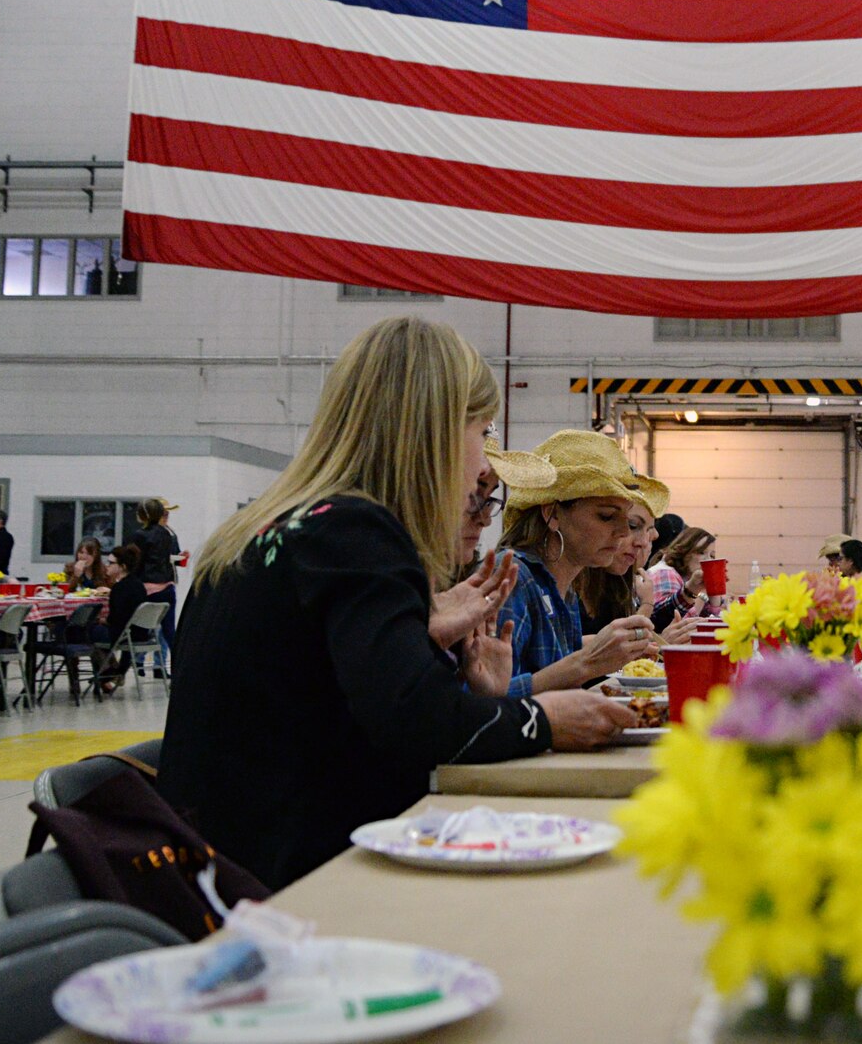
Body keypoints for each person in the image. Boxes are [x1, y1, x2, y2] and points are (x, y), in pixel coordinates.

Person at [157, 318, 633, 889]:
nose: (483, 465)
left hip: (223, 859)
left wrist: (467, 684)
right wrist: (543, 719)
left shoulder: (274, 529)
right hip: (288, 885)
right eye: (481, 432)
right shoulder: (358, 534)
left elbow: (338, 700)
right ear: (434, 433)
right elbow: (417, 723)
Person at [495, 430, 664, 696]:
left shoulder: (565, 590)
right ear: (552, 514)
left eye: (627, 519)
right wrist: (587, 663)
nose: (623, 532)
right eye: (607, 516)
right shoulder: (513, 579)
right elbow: (486, 707)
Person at [128, 499, 181, 676]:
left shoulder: (139, 535)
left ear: (142, 515)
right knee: (169, 631)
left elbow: (136, 562)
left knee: (138, 629)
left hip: (148, 587)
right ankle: (179, 666)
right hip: (167, 586)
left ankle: (133, 663)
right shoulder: (166, 534)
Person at [90, 544, 152, 696]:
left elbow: (115, 619)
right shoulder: (139, 585)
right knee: (99, 632)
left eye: (111, 563)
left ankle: (107, 674)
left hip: (123, 635)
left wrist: (103, 620)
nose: (107, 566)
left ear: (122, 566)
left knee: (89, 632)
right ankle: (114, 671)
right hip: (141, 634)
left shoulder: (119, 589)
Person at [648, 526, 715, 629]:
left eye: (712, 556)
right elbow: (676, 625)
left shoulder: (679, 576)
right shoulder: (666, 573)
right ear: (684, 550)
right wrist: (702, 594)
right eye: (701, 552)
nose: (708, 560)